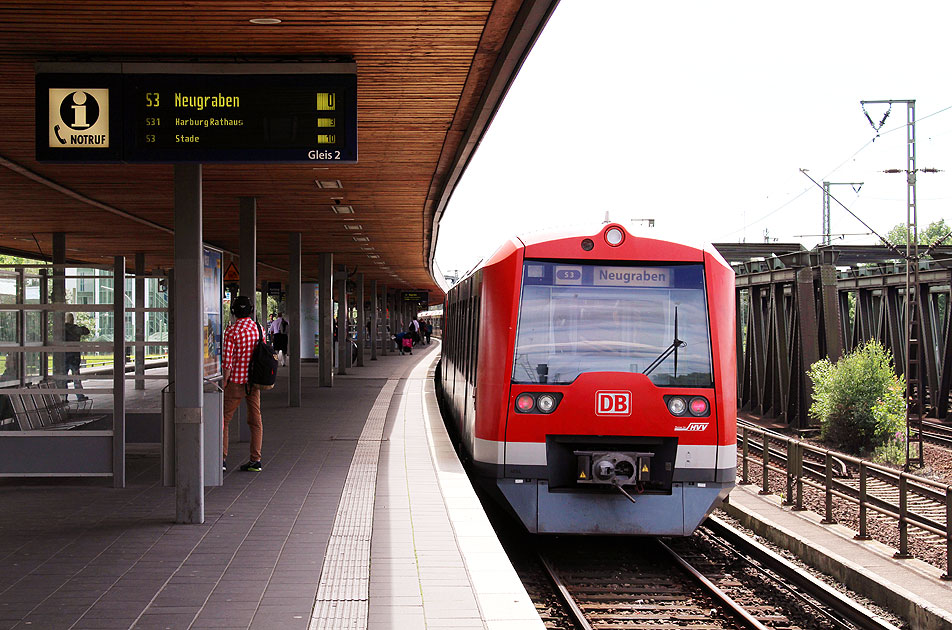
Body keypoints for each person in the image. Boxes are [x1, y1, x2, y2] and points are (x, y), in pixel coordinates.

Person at [222, 295, 264, 473]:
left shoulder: (231, 332)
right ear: (251, 311)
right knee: (255, 421)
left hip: (235, 384)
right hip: (253, 383)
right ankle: (255, 460)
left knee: (223, 420)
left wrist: (224, 382)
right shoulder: (259, 329)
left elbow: (227, 362)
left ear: (233, 312)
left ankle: (221, 460)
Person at [64, 314, 90, 401]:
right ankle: (79, 396)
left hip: (64, 357)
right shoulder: (76, 329)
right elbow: (86, 331)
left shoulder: (61, 329)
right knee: (76, 378)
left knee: (63, 378)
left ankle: (63, 397)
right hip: (74, 357)